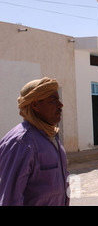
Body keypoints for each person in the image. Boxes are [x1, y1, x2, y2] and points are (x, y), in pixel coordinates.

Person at [0, 77, 70, 206]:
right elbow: (9, 198)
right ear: (35, 105)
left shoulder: (52, 136)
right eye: (54, 100)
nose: (60, 105)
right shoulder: (21, 143)